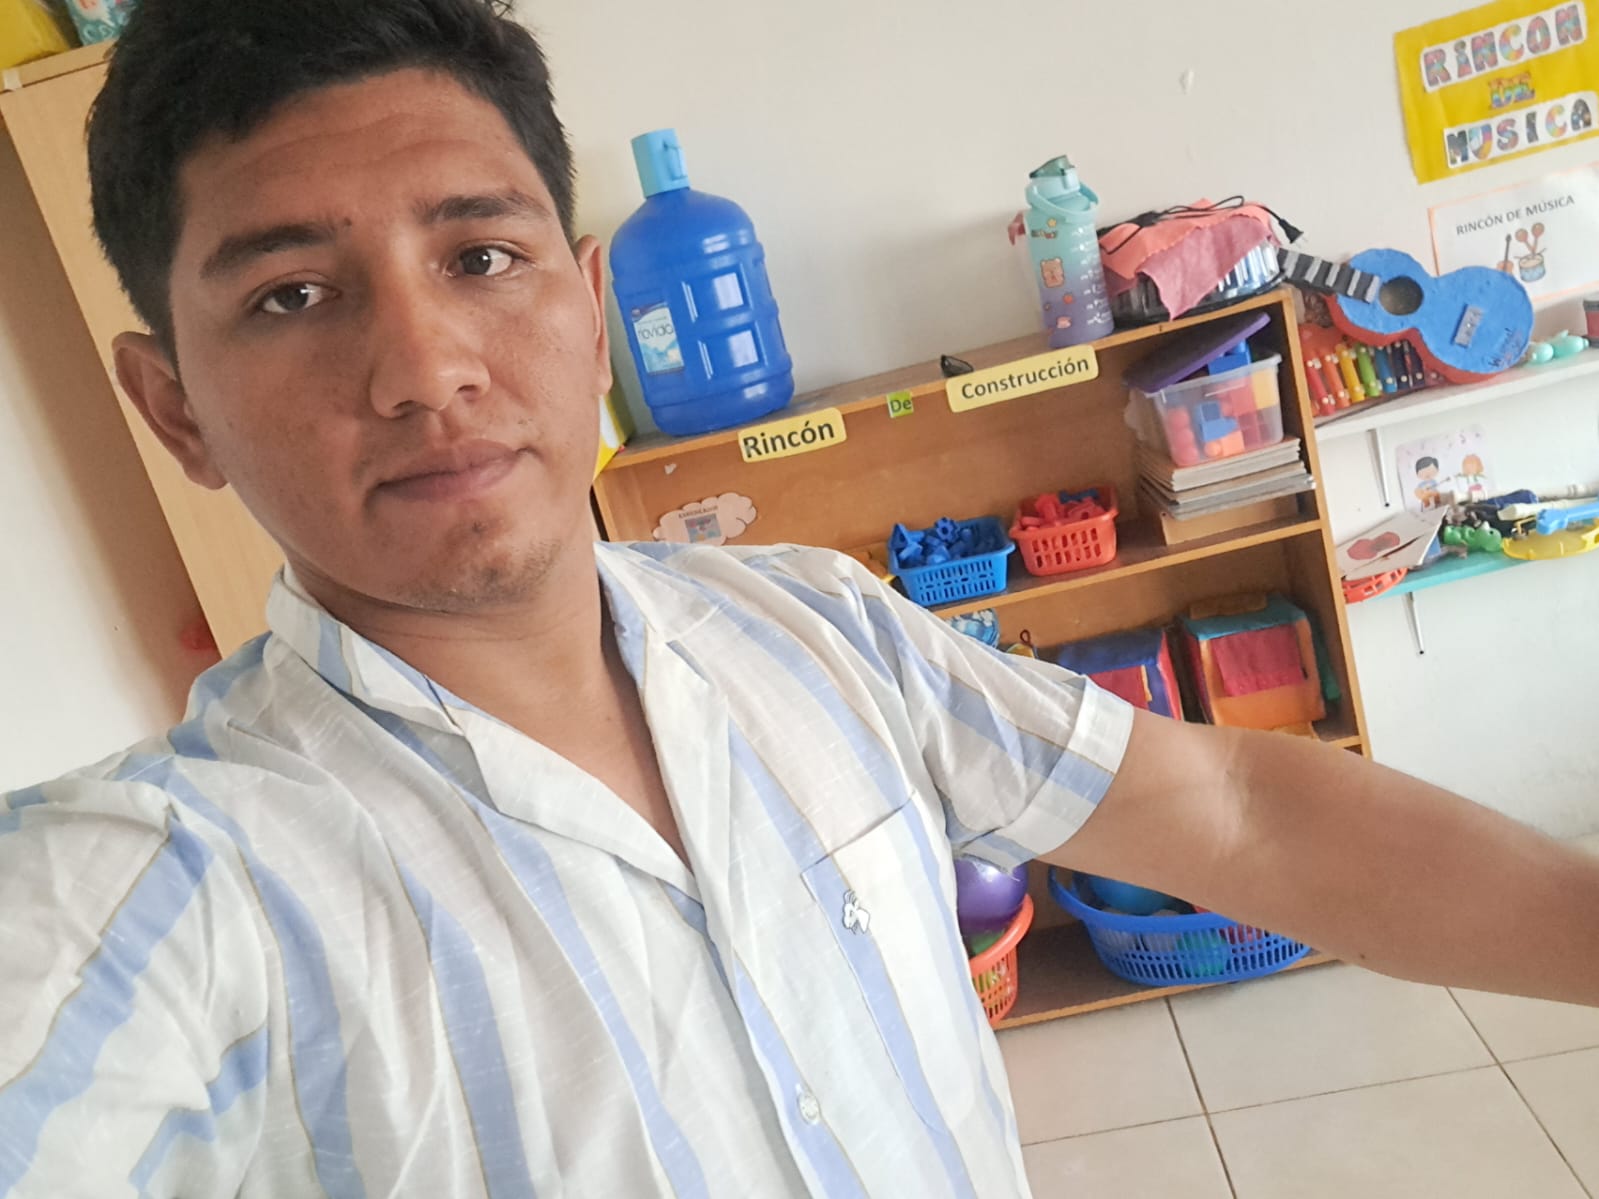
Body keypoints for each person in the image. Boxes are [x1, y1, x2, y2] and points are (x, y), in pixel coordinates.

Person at [1, 1, 1595, 1195]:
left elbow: (1237, 808)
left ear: (591, 305)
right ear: (175, 409)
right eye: (292, 294)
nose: (426, 370)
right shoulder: (158, 887)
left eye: (480, 257)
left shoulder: (810, 624)